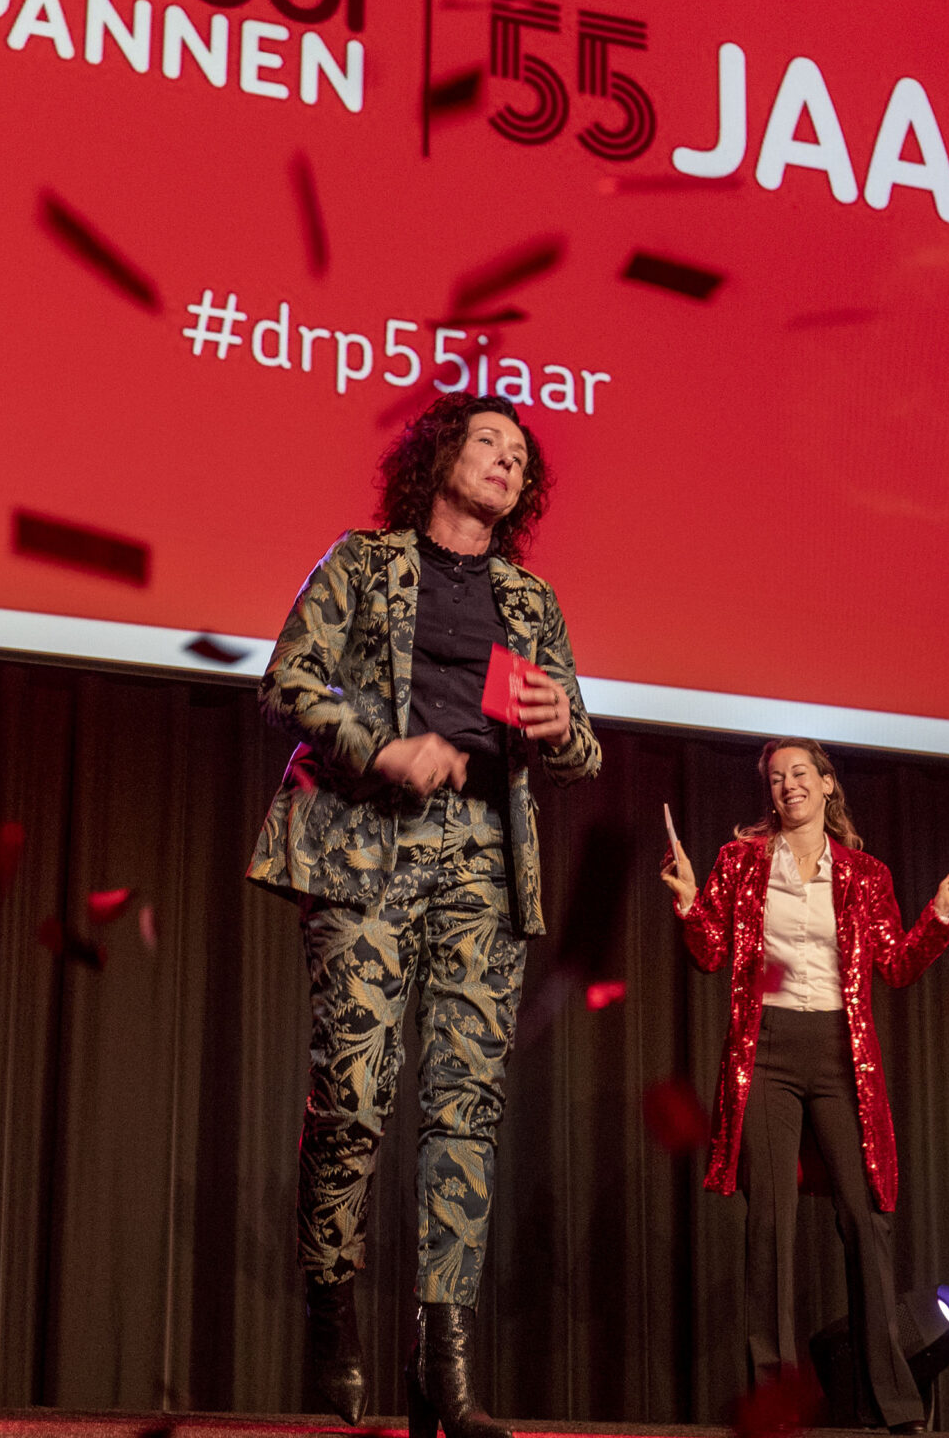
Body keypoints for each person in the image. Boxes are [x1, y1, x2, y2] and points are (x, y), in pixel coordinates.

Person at [249, 393, 601, 1438]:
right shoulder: (362, 565)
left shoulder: (529, 601)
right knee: (353, 1096)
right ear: (439, 456)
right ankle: (329, 1300)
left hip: (483, 861)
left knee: (465, 1113)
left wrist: (560, 722)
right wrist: (379, 744)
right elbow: (289, 681)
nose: (505, 461)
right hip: (364, 845)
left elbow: (580, 748)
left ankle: (440, 1368)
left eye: (520, 458)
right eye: (488, 442)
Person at [660, 739, 949, 1432]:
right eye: (775, 778)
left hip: (839, 1054)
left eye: (800, 773)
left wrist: (940, 914)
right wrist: (688, 904)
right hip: (766, 1050)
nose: (787, 785)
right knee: (770, 1225)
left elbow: (894, 965)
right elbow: (712, 954)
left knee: (863, 1223)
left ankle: (890, 1405)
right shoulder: (739, 863)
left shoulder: (865, 875)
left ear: (829, 785)